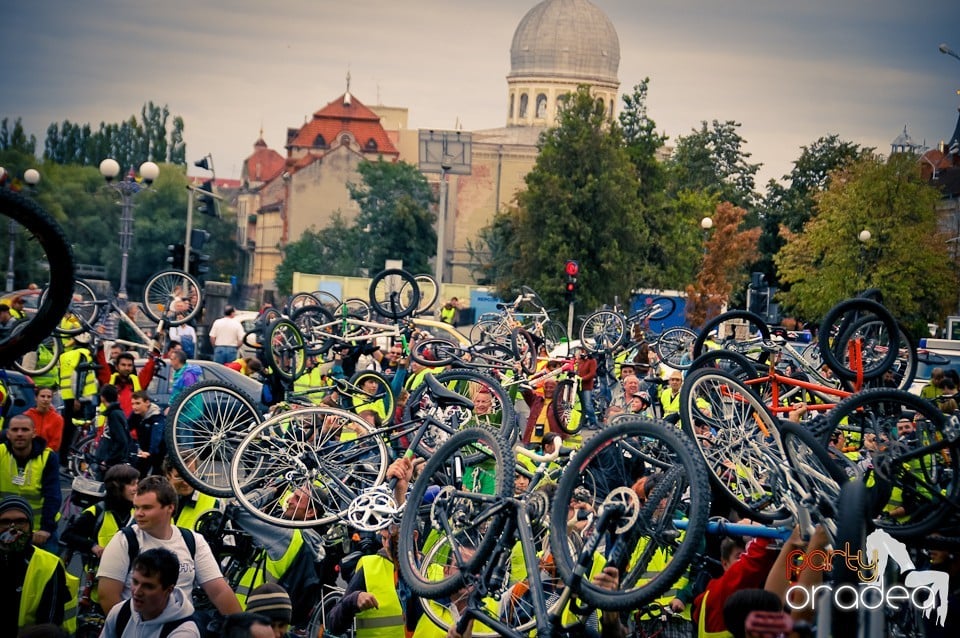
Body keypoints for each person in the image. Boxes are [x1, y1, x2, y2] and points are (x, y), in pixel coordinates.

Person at [96, 475, 242, 617]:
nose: (138, 514)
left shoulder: (193, 540)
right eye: (136, 507)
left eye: (146, 508)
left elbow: (219, 591)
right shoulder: (124, 540)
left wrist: (243, 628)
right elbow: (107, 596)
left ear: (169, 508)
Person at [0, 496, 71, 636]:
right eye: (5, 522)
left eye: (21, 521)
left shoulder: (49, 565)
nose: (12, 528)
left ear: (31, 526)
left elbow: (49, 625)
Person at [99, 547, 200, 638]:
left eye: (148, 586)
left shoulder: (184, 632)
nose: (137, 592)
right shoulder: (120, 612)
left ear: (169, 590)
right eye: (135, 582)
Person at [0, 415, 61, 551]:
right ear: (8, 434)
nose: (20, 434)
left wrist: (46, 529)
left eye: (25, 430)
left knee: (48, 568)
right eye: (15, 430)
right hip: (4, 526)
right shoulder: (1, 453)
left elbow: (53, 496)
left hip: (38, 530)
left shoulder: (47, 457)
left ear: (34, 433)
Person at [61, 463, 139, 559]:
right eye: (132, 484)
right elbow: (67, 535)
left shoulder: (137, 510)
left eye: (137, 483)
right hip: (98, 570)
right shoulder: (97, 511)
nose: (136, 488)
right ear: (116, 486)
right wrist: (92, 546)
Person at [57, 332, 99, 469]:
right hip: (79, 399)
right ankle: (74, 460)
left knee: (67, 429)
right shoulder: (83, 354)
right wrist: (77, 397)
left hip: (66, 396)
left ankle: (64, 458)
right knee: (81, 429)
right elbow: (79, 375)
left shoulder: (64, 356)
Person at [95, 347, 161, 418]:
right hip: (110, 425)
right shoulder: (109, 381)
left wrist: (155, 351)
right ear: (116, 367)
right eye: (123, 365)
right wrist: (100, 347)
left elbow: (148, 370)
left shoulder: (137, 383)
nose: (126, 368)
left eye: (129, 365)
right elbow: (102, 365)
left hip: (131, 427)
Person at [163, 457, 221, 531]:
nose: (186, 482)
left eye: (191, 475)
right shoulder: (156, 499)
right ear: (168, 474)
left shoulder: (213, 502)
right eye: (180, 477)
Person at [96, 384, 138, 479]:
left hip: (111, 466)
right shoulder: (117, 413)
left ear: (102, 398)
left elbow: (121, 441)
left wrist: (107, 461)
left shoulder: (114, 415)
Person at [130, 391, 166, 476]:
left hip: (159, 451)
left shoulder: (157, 416)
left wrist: (150, 451)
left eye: (138, 403)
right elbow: (126, 428)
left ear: (147, 402)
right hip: (144, 450)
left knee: (157, 478)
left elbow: (156, 436)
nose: (134, 407)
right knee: (138, 474)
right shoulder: (136, 414)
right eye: (133, 404)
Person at [24, 385, 64, 453]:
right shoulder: (26, 416)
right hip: (28, 453)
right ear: (36, 398)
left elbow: (55, 444)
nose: (46, 399)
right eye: (42, 396)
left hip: (48, 454)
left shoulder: (58, 419)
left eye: (49, 397)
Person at [576, 349, 599, 429]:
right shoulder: (580, 360)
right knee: (581, 405)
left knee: (588, 404)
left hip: (587, 386)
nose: (581, 352)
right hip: (578, 385)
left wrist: (582, 378)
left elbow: (592, 373)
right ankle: (584, 421)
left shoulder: (592, 360)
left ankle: (594, 422)